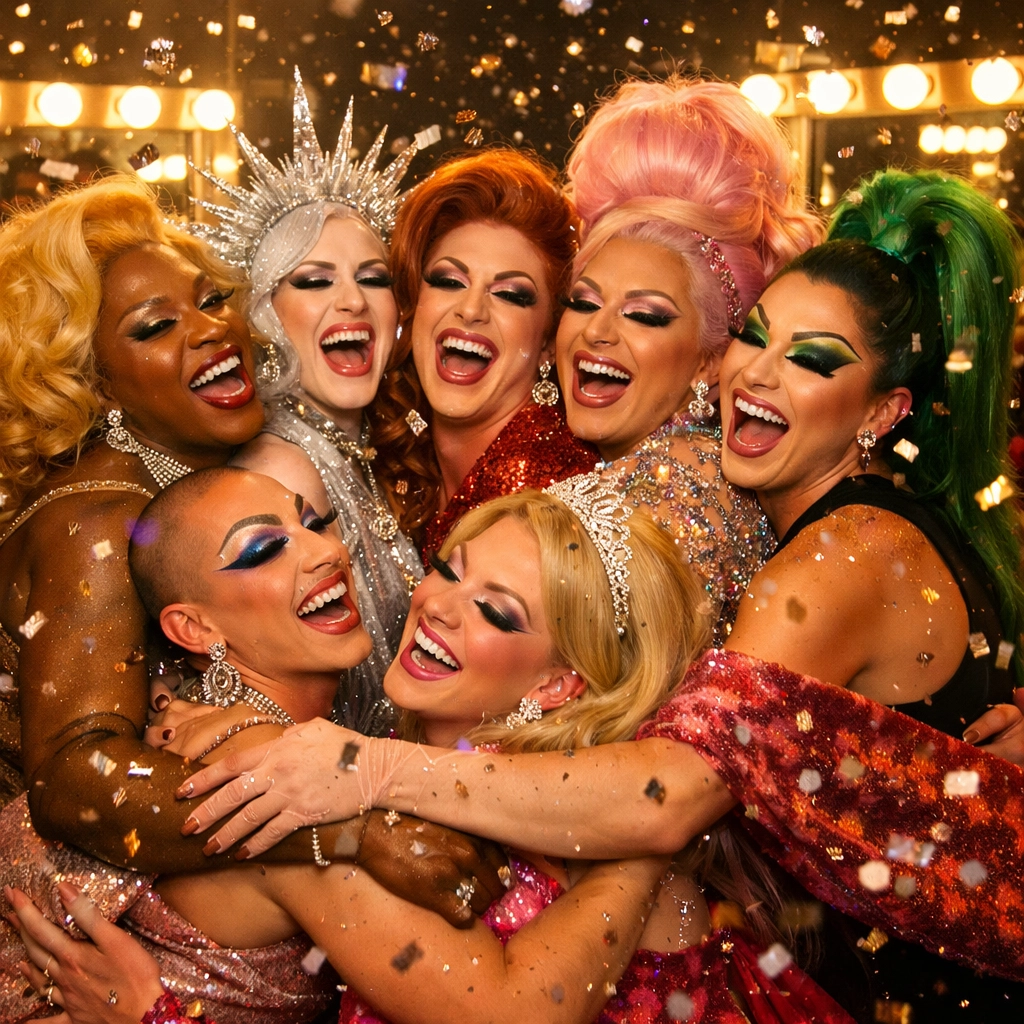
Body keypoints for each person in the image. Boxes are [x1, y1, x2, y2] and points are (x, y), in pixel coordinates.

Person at [177, 169, 1024, 1021]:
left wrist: (361, 770)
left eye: (810, 360)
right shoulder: (870, 526)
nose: (758, 376)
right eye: (758, 337)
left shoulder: (840, 551)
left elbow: (665, 800)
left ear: (884, 411)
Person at [10, 471, 854, 1024]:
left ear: (560, 683)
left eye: (498, 611)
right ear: (192, 628)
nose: (439, 606)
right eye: (447, 572)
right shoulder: (284, 779)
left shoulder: (389, 773)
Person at [0, 176, 487, 946]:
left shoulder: (198, 477)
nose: (210, 330)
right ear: (93, 379)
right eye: (157, 326)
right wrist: (348, 828)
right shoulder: (96, 518)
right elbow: (72, 776)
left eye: (212, 299)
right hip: (68, 935)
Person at [192, 68, 424, 734]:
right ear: (263, 315)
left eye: (372, 279)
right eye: (314, 281)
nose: (351, 301)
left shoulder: (366, 444)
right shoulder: (281, 471)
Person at [373, 149, 597, 553]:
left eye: (511, 294)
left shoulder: (551, 498)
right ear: (414, 303)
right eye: (449, 281)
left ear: (548, 341)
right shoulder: (398, 451)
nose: (471, 309)